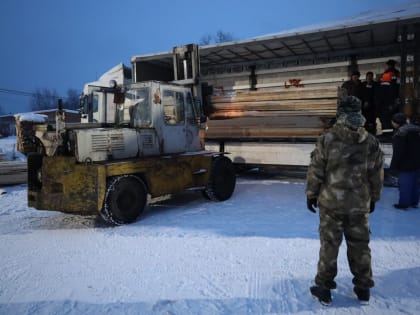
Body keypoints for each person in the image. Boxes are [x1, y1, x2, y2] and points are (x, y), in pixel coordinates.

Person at [306, 96, 384, 306]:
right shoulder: (370, 141)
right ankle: (363, 287)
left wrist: (311, 194)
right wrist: (374, 197)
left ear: (340, 112)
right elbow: (377, 174)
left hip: (331, 203)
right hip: (359, 204)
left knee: (329, 246)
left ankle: (323, 288)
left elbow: (316, 170)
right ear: (358, 113)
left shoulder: (327, 139)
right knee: (360, 245)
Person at [390, 112, 420, 209]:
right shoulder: (415, 130)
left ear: (396, 123)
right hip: (417, 161)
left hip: (406, 163)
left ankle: (404, 204)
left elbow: (398, 153)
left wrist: (393, 166)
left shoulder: (400, 134)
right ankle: (414, 201)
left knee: (405, 185)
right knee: (415, 183)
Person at [376, 59, 400, 130]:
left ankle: (387, 134)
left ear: (388, 66)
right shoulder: (398, 74)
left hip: (387, 102)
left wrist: (379, 102)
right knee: (395, 118)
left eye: (386, 66)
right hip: (395, 101)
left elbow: (383, 90)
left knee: (386, 119)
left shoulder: (387, 74)